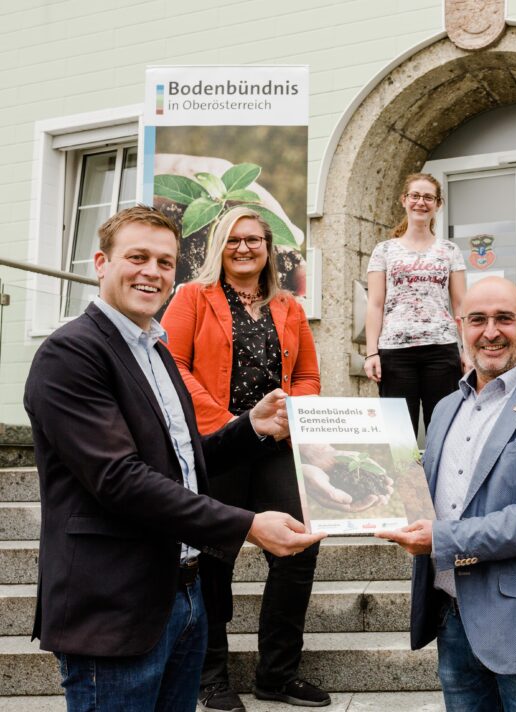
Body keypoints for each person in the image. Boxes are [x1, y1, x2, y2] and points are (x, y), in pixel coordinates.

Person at [23, 205, 324, 712]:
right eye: (137, 257)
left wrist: (250, 427)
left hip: (182, 599)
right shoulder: (70, 353)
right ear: (101, 262)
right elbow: (120, 479)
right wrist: (248, 524)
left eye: (164, 262)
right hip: (116, 605)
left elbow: (183, 462)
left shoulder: (155, 350)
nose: (152, 272)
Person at [377, 277, 516, 712]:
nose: (490, 331)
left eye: (504, 319)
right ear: (461, 326)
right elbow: (420, 494)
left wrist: (443, 540)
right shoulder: (443, 409)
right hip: (452, 619)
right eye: (477, 319)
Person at [161, 206, 328, 710]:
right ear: (219, 246)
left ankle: (277, 673)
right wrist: (233, 424)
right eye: (233, 239)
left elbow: (307, 377)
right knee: (213, 556)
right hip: (219, 444)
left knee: (299, 546)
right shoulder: (191, 296)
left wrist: (290, 415)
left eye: (253, 239)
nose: (243, 248)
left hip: (277, 444)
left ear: (267, 247)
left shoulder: (289, 306)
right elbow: (174, 364)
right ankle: (209, 675)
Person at [364, 172, 467, 436]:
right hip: (395, 354)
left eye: (428, 197)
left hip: (442, 351)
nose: (421, 202)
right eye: (415, 196)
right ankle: (403, 480)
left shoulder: (450, 251)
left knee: (444, 432)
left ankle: (440, 479)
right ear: (404, 200)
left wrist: (468, 351)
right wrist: (372, 353)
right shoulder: (384, 250)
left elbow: (461, 305)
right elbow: (375, 305)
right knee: (399, 437)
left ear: (438, 204)